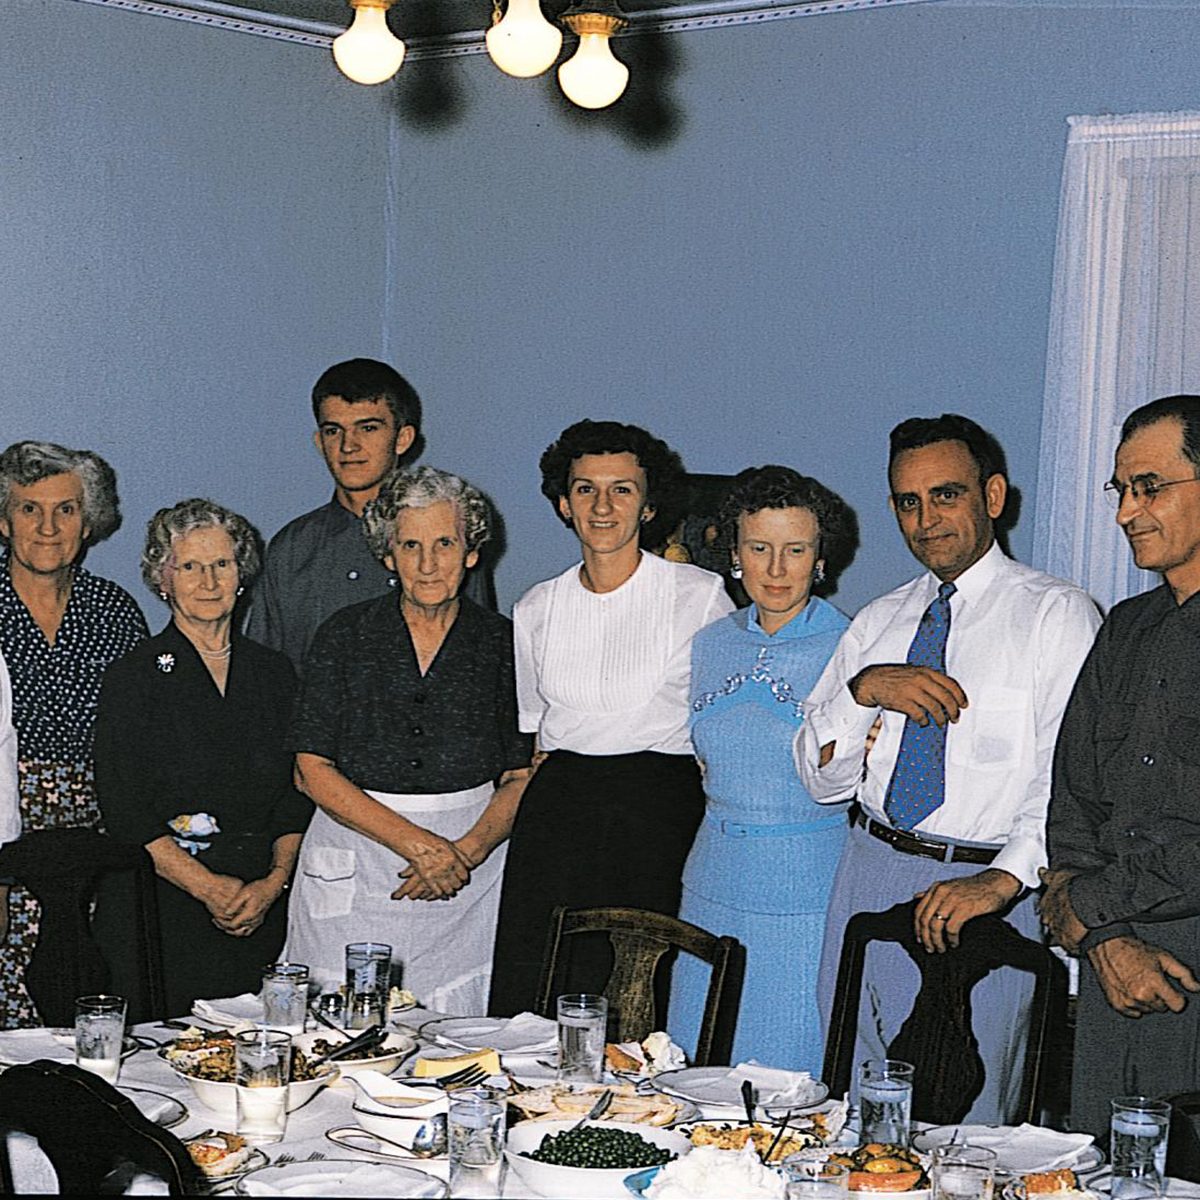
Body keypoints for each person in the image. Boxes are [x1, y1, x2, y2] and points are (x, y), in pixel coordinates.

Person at [796, 414, 1100, 1122]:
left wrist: (1001, 880)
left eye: (946, 495)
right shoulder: (879, 621)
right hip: (867, 872)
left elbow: (1072, 781)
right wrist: (862, 691)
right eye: (908, 502)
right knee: (855, 1099)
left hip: (986, 889)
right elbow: (818, 780)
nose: (926, 520)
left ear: (993, 496)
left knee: (976, 1117)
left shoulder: (1057, 615)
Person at [488, 420, 735, 1017]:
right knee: (541, 993)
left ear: (648, 505)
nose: (603, 506)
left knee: (636, 999)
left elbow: (723, 721)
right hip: (559, 816)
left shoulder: (699, 595)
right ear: (563, 503)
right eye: (585, 489)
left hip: (658, 815)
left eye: (622, 489)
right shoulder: (536, 607)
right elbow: (536, 726)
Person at [285, 466, 532, 1013]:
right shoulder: (344, 635)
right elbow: (310, 769)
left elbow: (522, 772)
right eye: (410, 545)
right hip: (359, 854)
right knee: (338, 1032)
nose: (428, 563)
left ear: (472, 552)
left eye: (445, 543)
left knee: (454, 1044)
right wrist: (420, 848)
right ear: (387, 554)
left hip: (469, 868)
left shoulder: (505, 644)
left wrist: (463, 854)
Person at [1043, 395, 1200, 1137]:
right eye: (1121, 490)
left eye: (1150, 487)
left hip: (1190, 968)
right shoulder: (1126, 630)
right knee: (1097, 1167)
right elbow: (1073, 799)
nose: (1126, 512)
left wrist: (1093, 913)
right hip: (1111, 965)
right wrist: (1104, 940)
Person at [669, 466, 857, 1070]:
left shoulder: (852, 644)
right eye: (760, 548)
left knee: (784, 1075)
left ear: (820, 559)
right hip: (710, 883)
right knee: (695, 1063)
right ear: (734, 554)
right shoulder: (709, 643)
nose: (776, 569)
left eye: (795, 550)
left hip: (806, 891)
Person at [94, 499, 310, 1017]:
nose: (208, 580)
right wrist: (208, 888)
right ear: (162, 579)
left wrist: (271, 884)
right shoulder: (134, 677)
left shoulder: (275, 674)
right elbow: (123, 805)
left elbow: (296, 793)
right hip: (161, 902)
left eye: (221, 564)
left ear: (242, 574)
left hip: (262, 902)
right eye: (190, 566)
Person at [0, 441, 147, 1027]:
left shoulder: (114, 612)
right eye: (29, 509)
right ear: (3, 519)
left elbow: (140, 735)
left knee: (90, 996)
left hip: (99, 829)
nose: (47, 527)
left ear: (88, 524)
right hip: (7, 817)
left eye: (65, 510)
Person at [247, 358, 492, 673]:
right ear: (320, 442)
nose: (349, 446)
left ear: (402, 438)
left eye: (368, 428)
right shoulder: (292, 548)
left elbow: (480, 661)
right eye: (334, 431)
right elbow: (263, 672)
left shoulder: (446, 538)